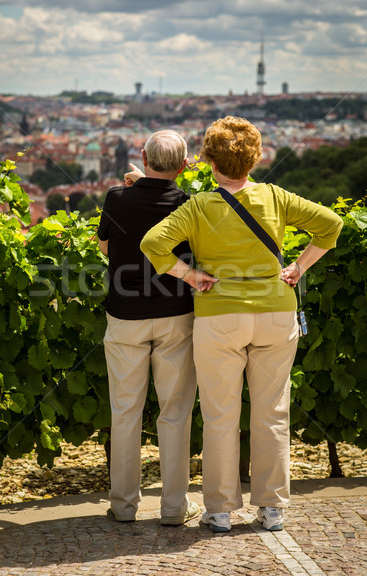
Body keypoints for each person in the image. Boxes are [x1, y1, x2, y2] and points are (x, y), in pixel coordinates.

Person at [140, 116, 343, 533]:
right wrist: (298, 267)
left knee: (219, 416)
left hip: (220, 317)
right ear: (255, 158)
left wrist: (192, 276)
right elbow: (331, 224)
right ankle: (272, 509)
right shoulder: (275, 197)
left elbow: (152, 244)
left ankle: (219, 510)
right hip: (275, 312)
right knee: (272, 414)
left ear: (211, 162)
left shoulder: (199, 205)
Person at [98, 130, 199, 525]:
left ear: (142, 156)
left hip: (125, 317)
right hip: (176, 314)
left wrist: (134, 185)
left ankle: (123, 506)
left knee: (125, 411)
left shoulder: (116, 198)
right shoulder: (189, 205)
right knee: (175, 412)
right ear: (184, 165)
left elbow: (105, 247)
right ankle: (174, 508)